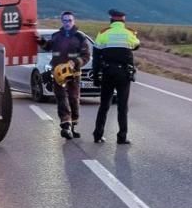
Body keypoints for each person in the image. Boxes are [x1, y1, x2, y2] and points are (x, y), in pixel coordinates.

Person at [38, 12, 91, 139]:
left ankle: (73, 125)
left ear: (74, 21)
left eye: (69, 20)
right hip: (58, 73)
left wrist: (76, 62)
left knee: (73, 98)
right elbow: (47, 47)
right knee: (61, 98)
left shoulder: (80, 37)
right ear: (62, 21)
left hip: (73, 73)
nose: (67, 23)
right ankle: (65, 125)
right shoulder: (56, 36)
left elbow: (86, 56)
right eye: (65, 20)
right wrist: (39, 40)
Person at [92, 9, 141, 144]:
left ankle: (98, 135)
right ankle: (122, 137)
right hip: (124, 74)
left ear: (111, 21)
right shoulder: (129, 33)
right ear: (123, 21)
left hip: (107, 73)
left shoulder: (103, 33)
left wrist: (96, 76)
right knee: (122, 106)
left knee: (104, 105)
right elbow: (136, 45)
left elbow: (96, 57)